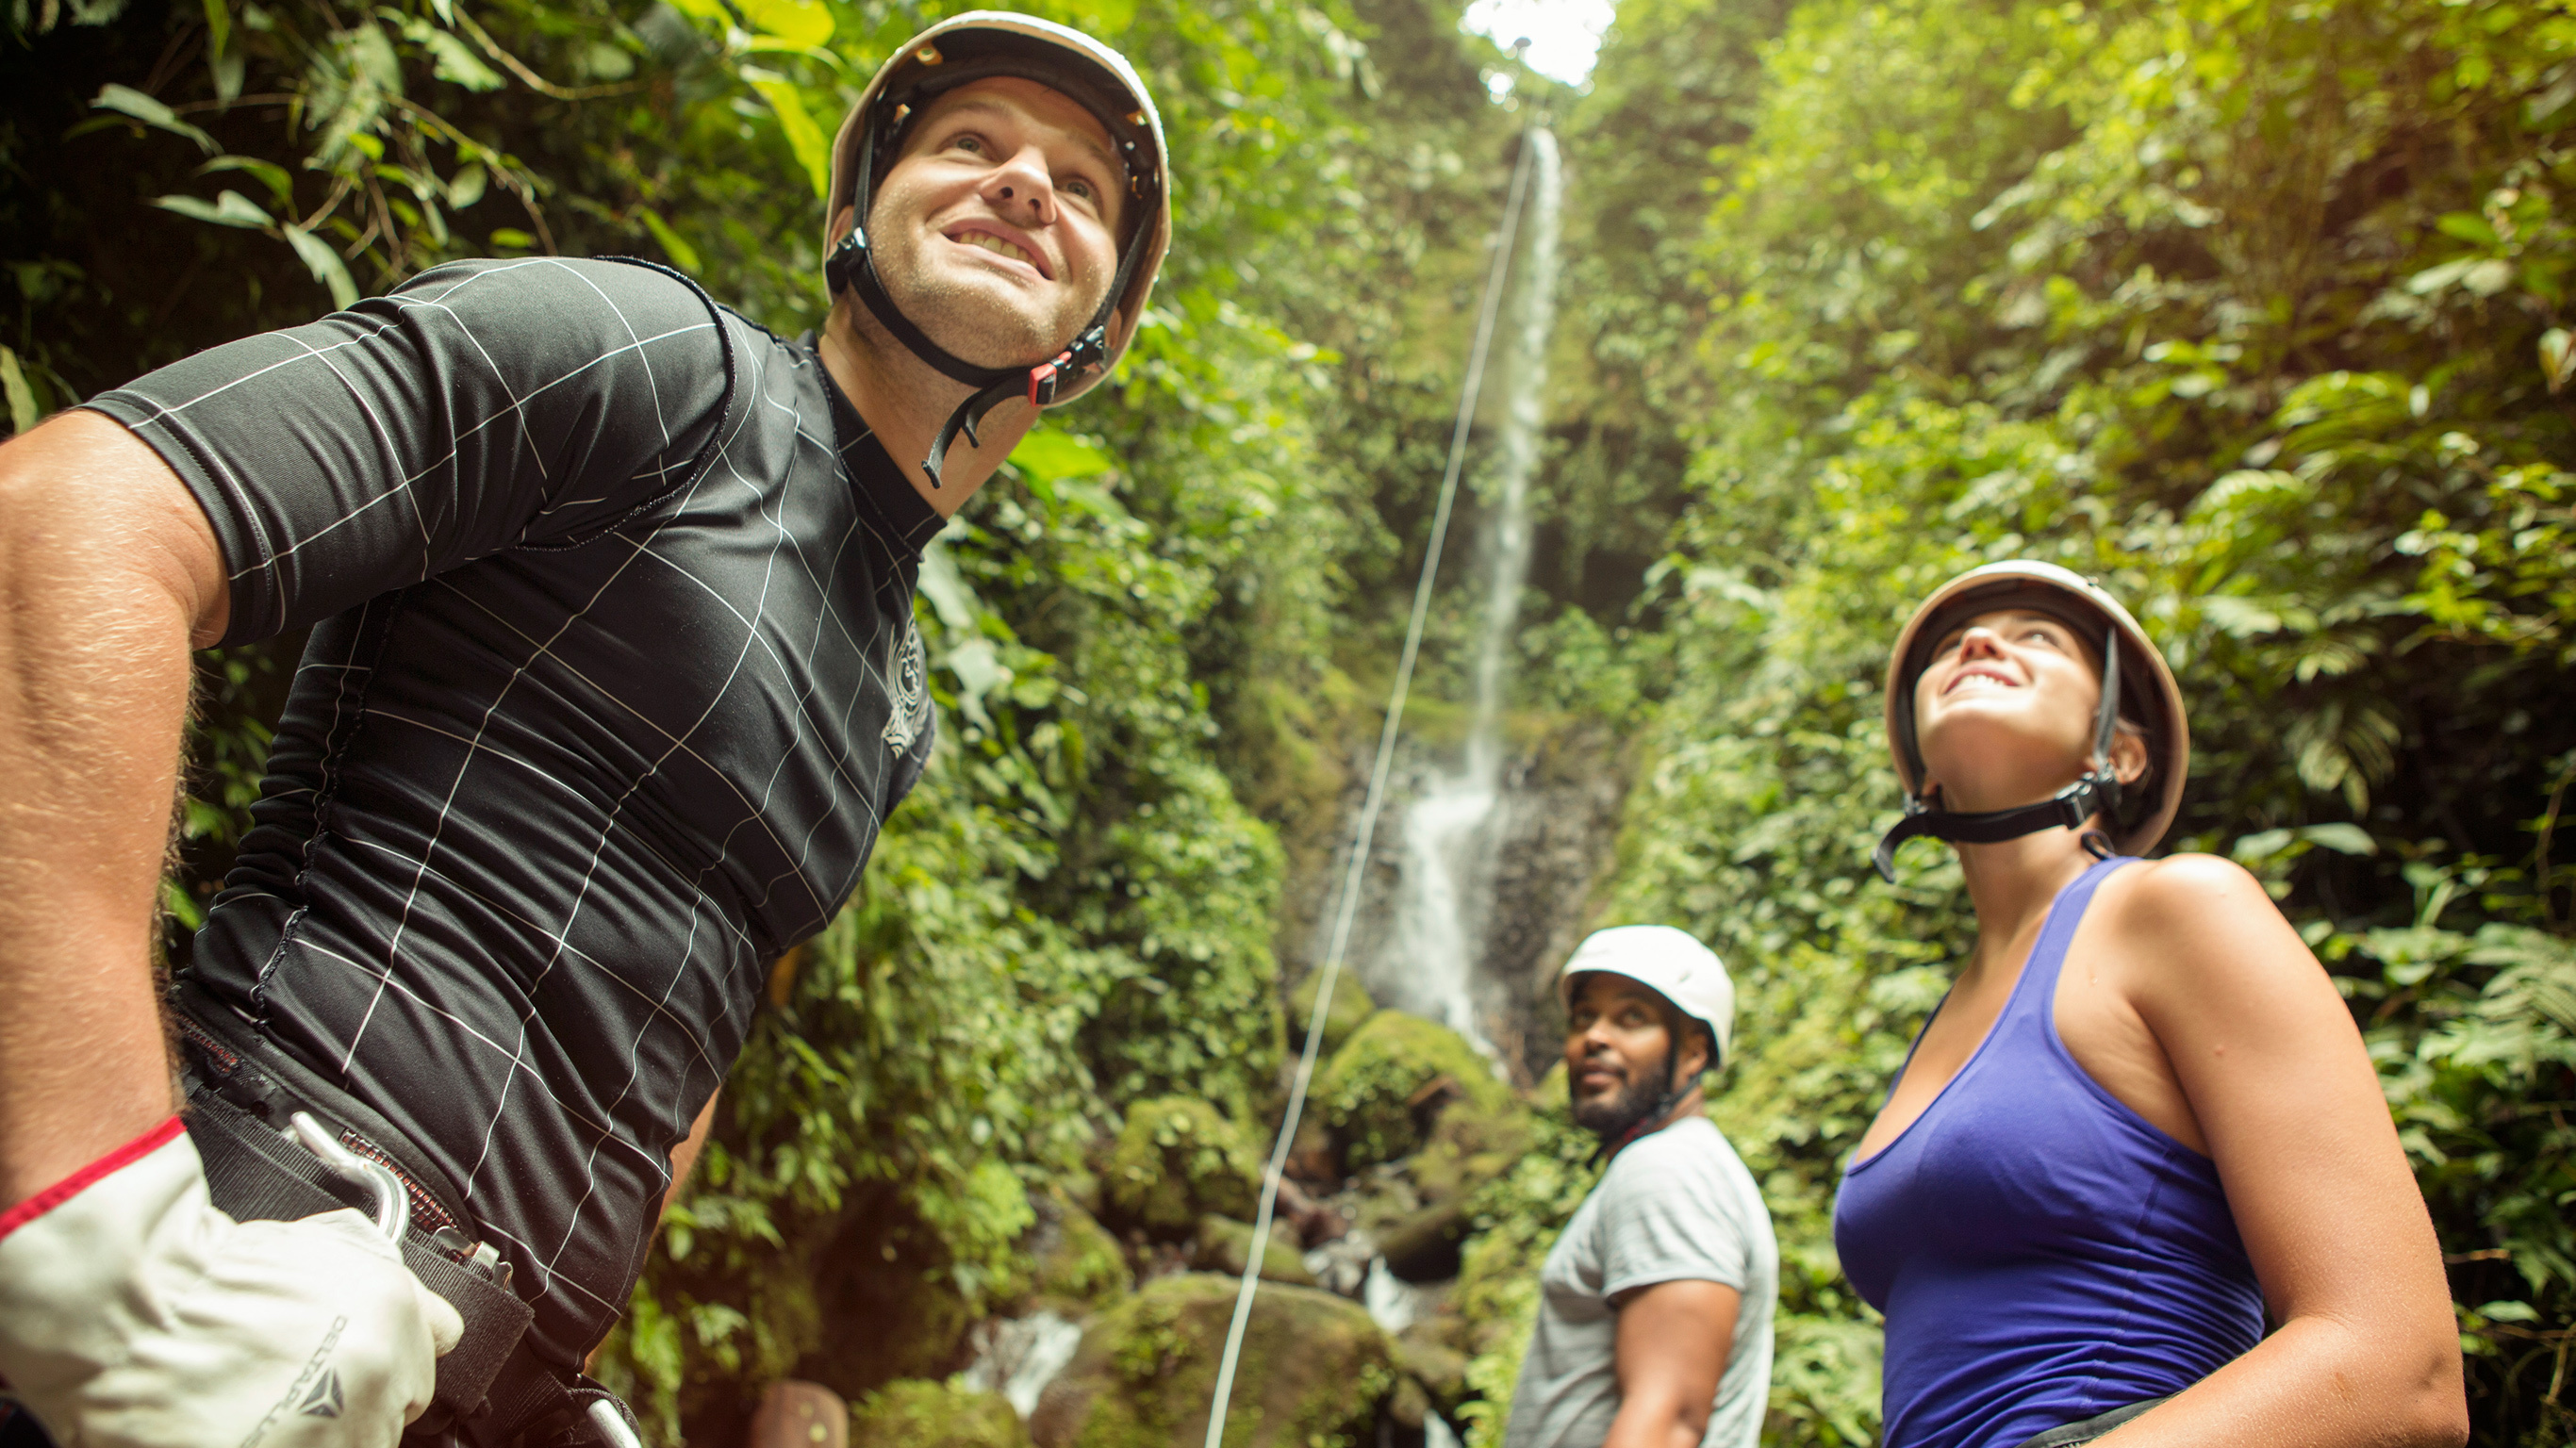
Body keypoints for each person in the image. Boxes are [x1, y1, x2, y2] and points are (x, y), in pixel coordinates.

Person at [0, 13, 1171, 1446]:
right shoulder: (658, 364)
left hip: (453, 1386)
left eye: (1081, 185)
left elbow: (683, 1052)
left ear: (1102, 325)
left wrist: (545, 1372)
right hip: (228, 1253)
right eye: (970, 144)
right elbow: (62, 520)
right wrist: (97, 1217)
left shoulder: (895, 708)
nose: (1025, 183)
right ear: (858, 210)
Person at [1836, 560, 2469, 1448]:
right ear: (1923, 782)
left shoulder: (2178, 910)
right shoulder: (1944, 1018)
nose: (1977, 643)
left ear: (2119, 753)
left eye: (2037, 638)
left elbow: (2400, 1367)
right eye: (1950, 646)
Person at [1504, 926, 1778, 1448]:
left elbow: (1669, 1420)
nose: (1595, 1037)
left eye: (1632, 1018)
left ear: (1695, 1054)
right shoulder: (1680, 1163)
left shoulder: (1667, 1171)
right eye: (1585, 1017)